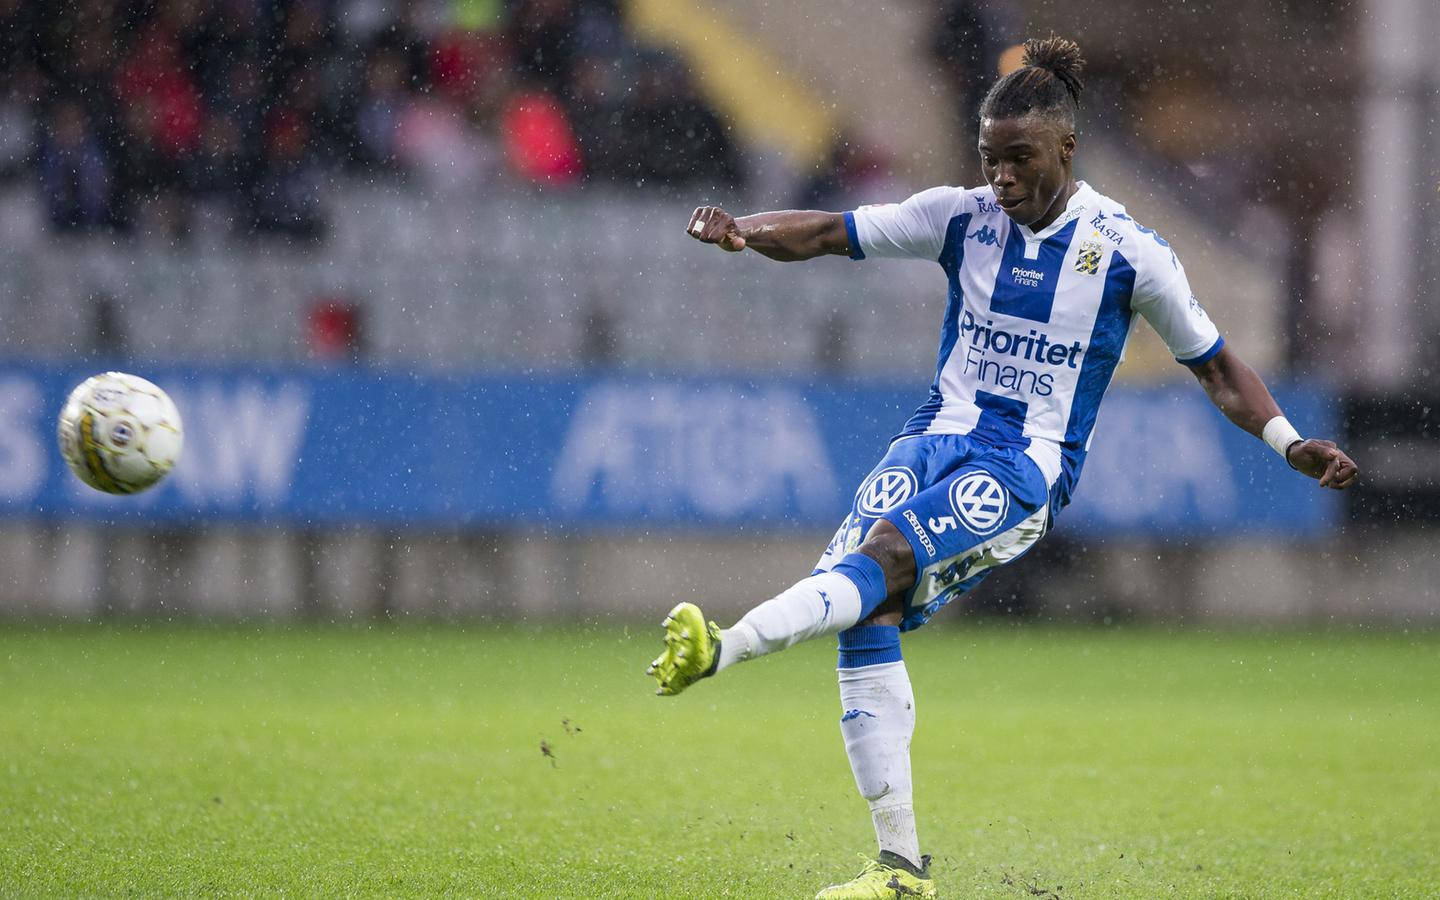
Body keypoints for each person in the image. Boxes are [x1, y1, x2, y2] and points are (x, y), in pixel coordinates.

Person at [647, 36, 1359, 900]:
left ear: (1066, 149)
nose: (1003, 180)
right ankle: (899, 869)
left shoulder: (1130, 253)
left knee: (878, 565)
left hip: (1023, 470)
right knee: (861, 608)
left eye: (1019, 160)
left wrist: (1289, 441)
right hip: (931, 438)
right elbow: (835, 232)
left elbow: (1214, 366)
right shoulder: (961, 215)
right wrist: (744, 231)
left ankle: (719, 650)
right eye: (990, 161)